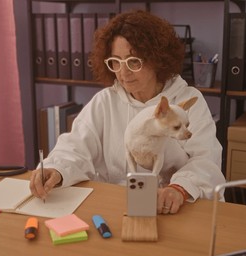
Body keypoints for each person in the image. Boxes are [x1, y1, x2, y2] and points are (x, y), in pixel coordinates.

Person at [29, 9, 225, 214]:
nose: (123, 73)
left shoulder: (186, 100)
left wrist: (180, 188)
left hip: (176, 208)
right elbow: (75, 147)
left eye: (133, 61)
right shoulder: (105, 101)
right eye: (116, 62)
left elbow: (206, 159)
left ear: (157, 59)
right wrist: (57, 170)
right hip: (117, 206)